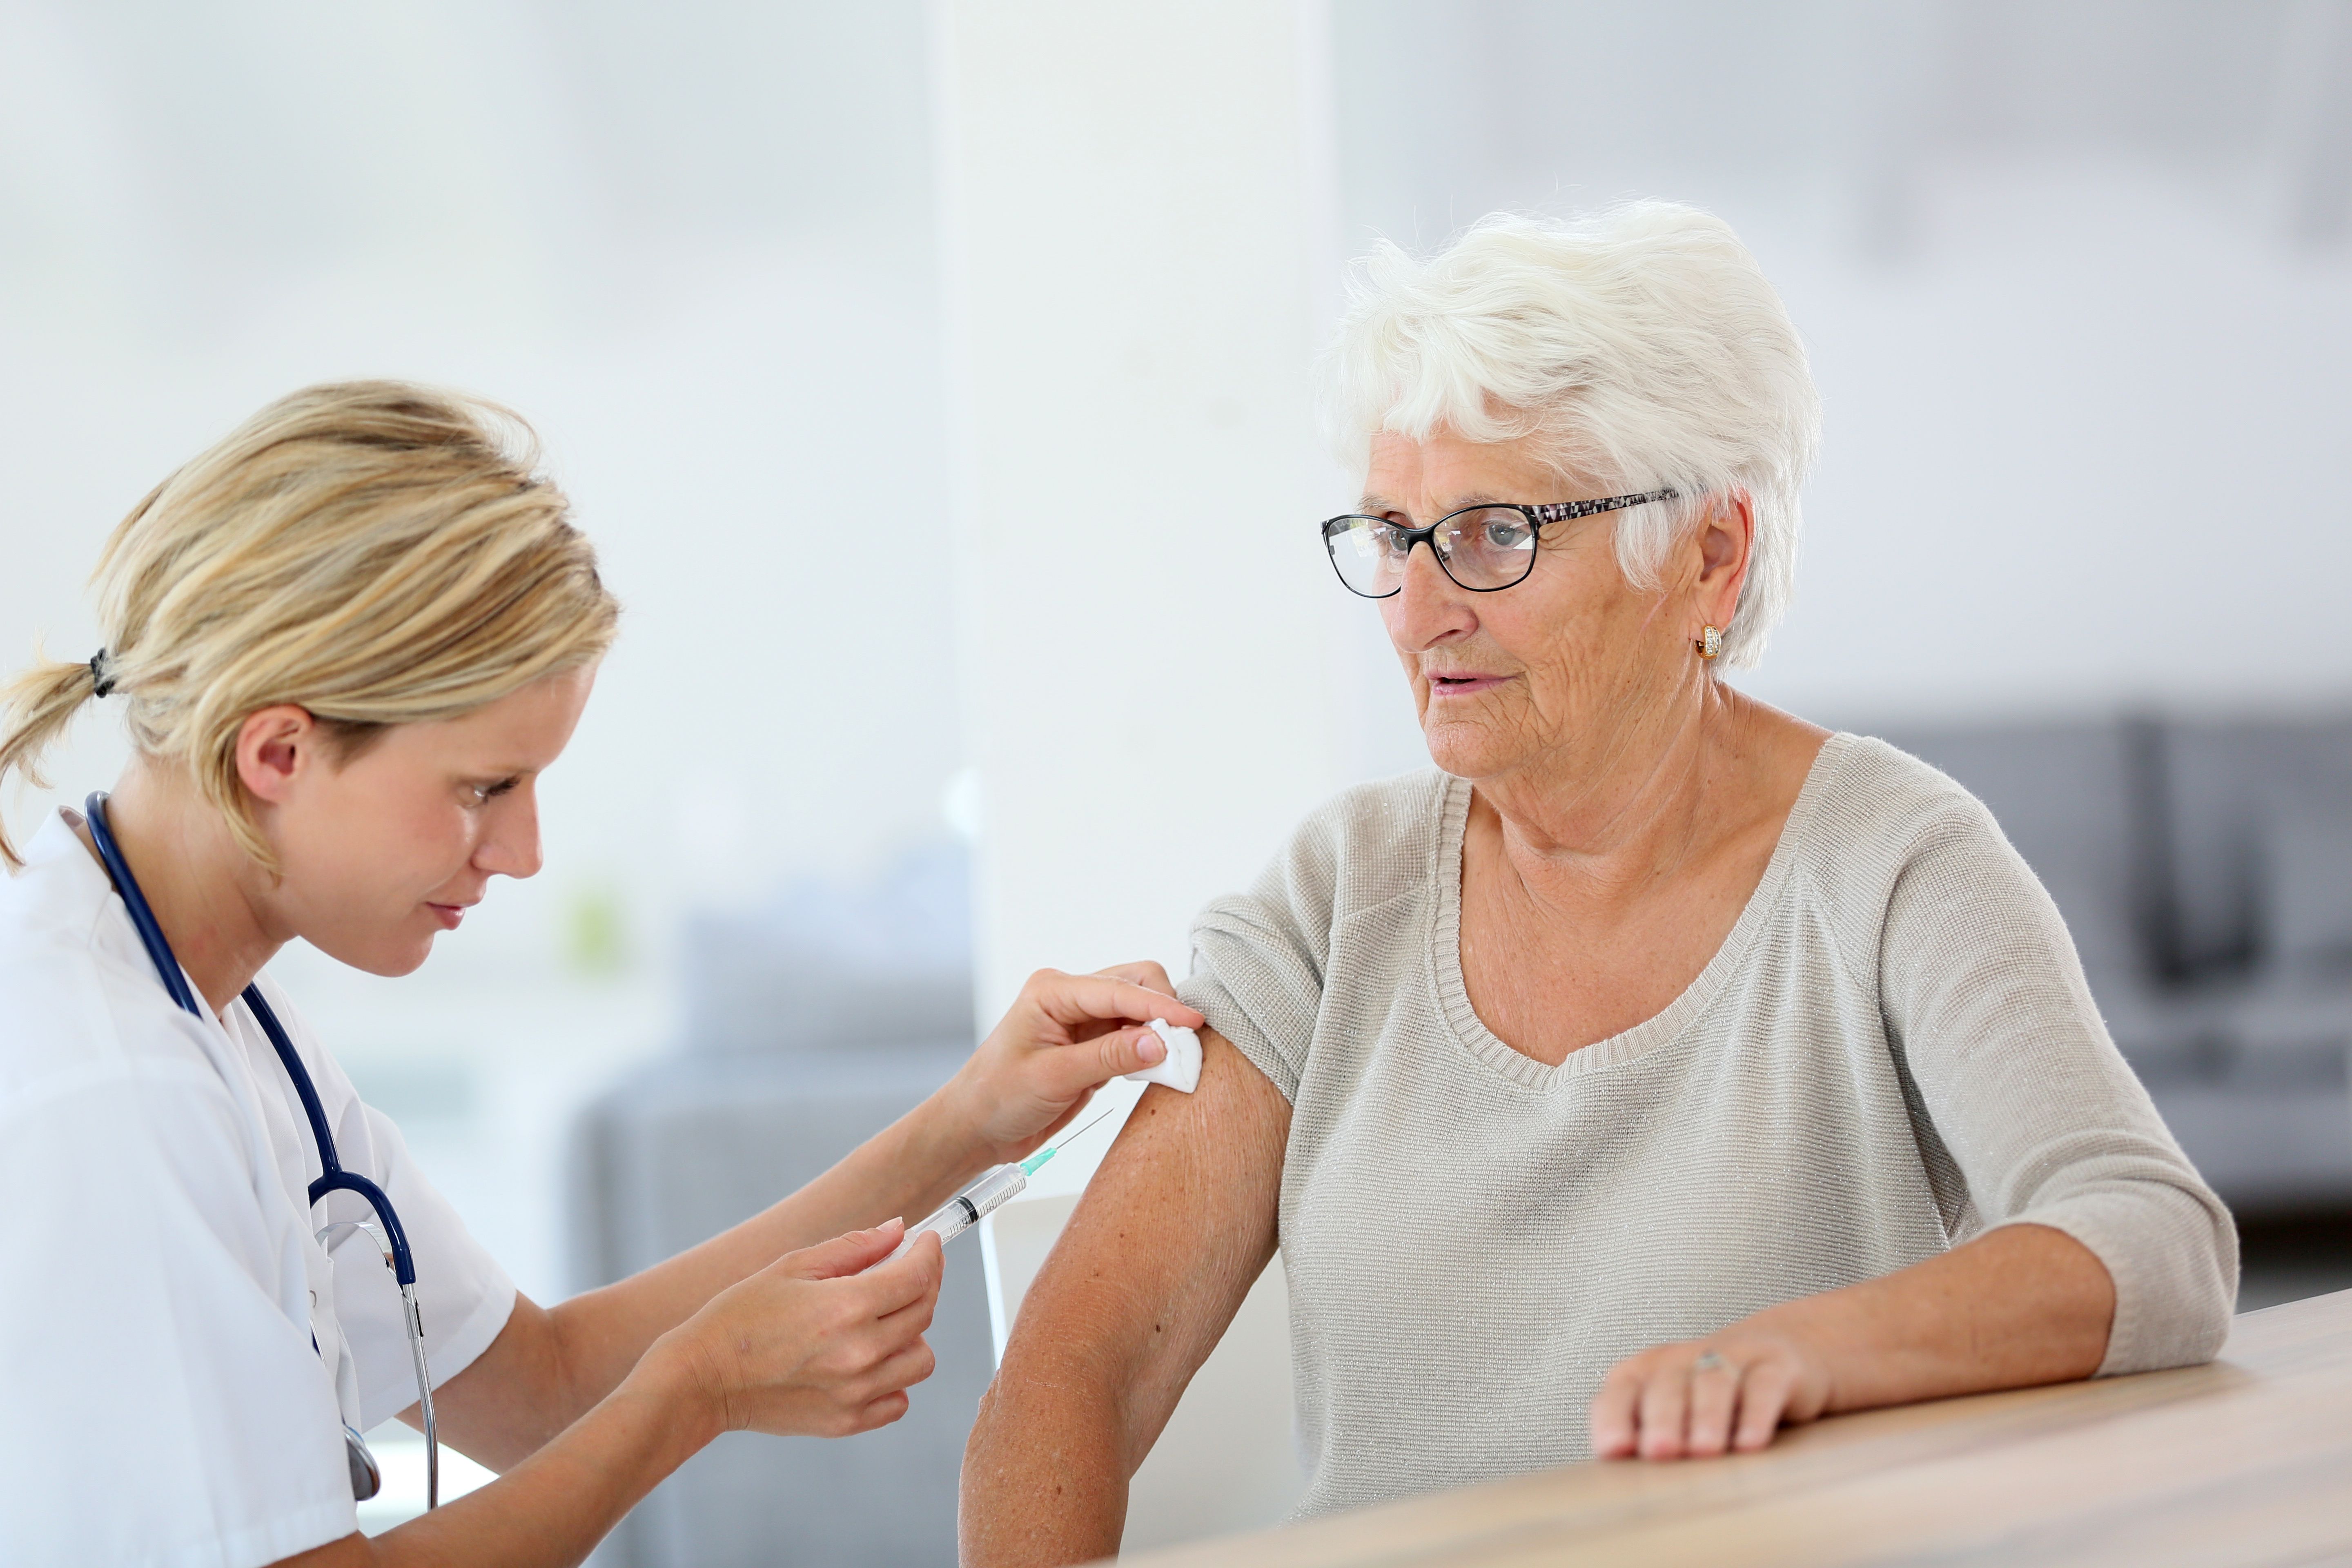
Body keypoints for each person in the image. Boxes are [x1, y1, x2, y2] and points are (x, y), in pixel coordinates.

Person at [959, 203, 2237, 1564]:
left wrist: (1800, 1354)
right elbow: (1066, 1382)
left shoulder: (1893, 864)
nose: (1418, 609)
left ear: (1709, 553)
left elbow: (2154, 1238)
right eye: (1397, 535)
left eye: (1497, 534)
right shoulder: (1340, 896)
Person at [0, 381, 1203, 1568]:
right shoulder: (107, 1090)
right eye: (485, 789)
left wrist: (970, 1123)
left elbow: (535, 1387)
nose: (523, 855)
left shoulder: (222, 1019)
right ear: (278, 750)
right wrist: (694, 1393)